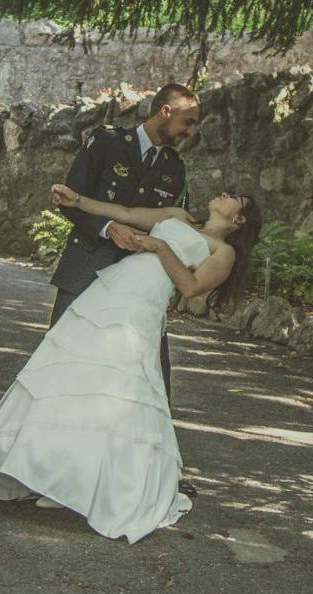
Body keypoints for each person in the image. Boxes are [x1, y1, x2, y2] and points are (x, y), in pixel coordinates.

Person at [0, 186, 261, 544]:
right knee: (76, 372)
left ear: (238, 218)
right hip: (113, 288)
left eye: (232, 196)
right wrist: (79, 201)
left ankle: (84, 481)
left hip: (143, 304)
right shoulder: (178, 216)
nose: (223, 193)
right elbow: (128, 212)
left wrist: (160, 247)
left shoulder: (223, 251)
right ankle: (47, 471)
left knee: (117, 386)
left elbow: (191, 285)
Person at [51, 83, 201, 407]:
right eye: (187, 121)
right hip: (86, 269)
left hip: (137, 284)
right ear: (166, 111)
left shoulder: (175, 169)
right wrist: (107, 227)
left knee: (150, 380)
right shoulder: (107, 142)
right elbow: (69, 198)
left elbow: (172, 226)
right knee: (58, 363)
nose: (191, 131)